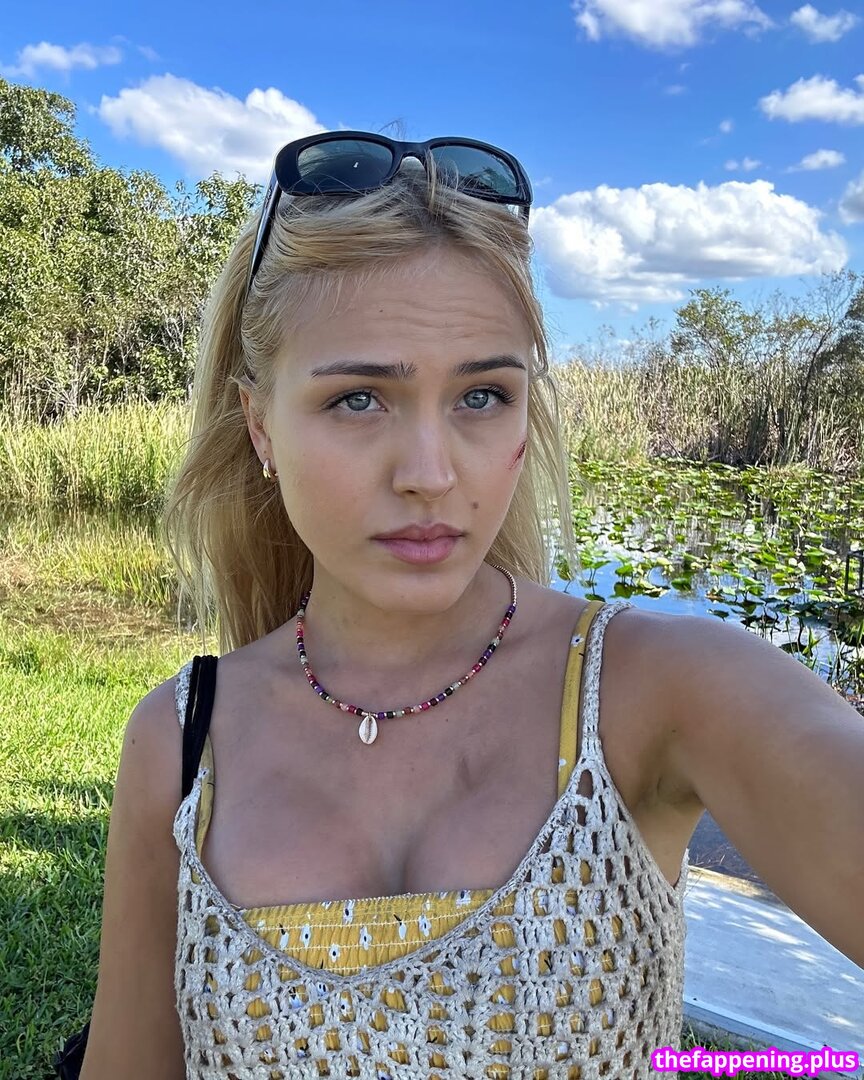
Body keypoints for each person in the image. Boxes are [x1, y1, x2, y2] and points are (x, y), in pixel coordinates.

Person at [78, 133, 864, 1080]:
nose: (431, 473)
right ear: (260, 426)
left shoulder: (660, 691)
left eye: (483, 395)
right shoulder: (181, 741)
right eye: (359, 399)